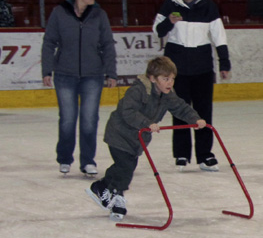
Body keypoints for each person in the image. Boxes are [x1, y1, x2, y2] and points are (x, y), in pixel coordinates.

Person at [86, 56, 206, 221]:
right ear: (152, 78)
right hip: (119, 134)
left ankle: (101, 186)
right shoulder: (138, 90)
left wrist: (195, 119)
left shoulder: (167, 94)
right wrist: (147, 123)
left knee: (125, 166)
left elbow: (180, 107)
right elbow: (128, 112)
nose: (170, 83)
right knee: (125, 166)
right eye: (165, 79)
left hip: (137, 139)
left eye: (172, 79)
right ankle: (117, 198)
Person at [152, 0, 231, 172]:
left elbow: (219, 36)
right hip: (176, 68)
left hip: (202, 66)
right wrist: (169, 21)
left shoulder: (209, 6)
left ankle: (205, 155)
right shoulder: (170, 4)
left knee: (204, 112)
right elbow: (158, 31)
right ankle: (181, 154)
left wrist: (224, 62)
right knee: (179, 110)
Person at [42, 0, 118, 176]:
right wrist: (47, 70)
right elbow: (49, 42)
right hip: (65, 75)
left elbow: (108, 44)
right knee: (67, 119)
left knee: (89, 119)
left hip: (93, 75)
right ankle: (65, 158)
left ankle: (87, 161)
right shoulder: (60, 13)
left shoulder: (99, 15)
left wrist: (111, 72)